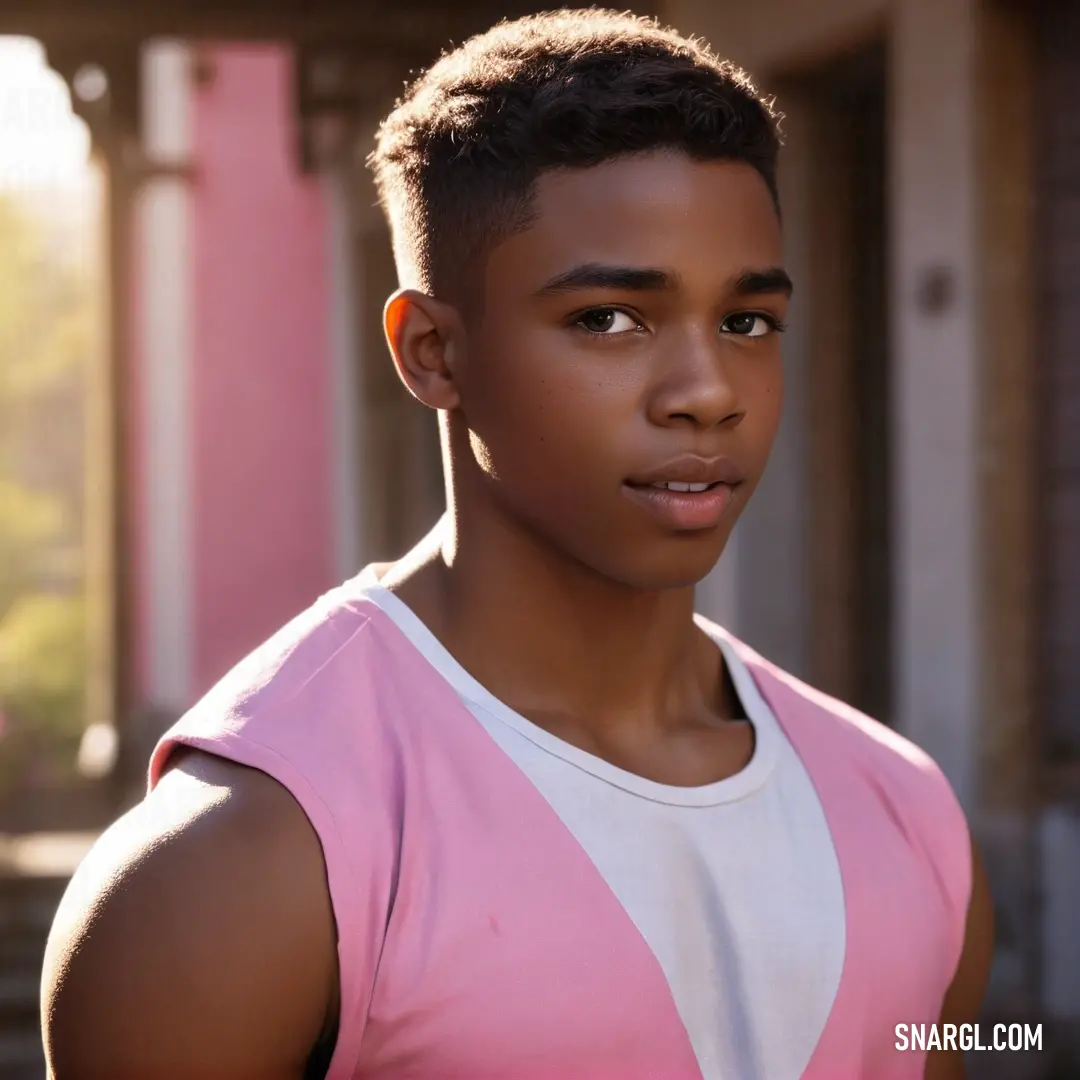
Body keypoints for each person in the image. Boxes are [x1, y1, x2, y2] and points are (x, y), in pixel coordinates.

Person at [42, 10, 993, 1080]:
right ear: (432, 352)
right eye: (609, 319)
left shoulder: (903, 817)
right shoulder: (236, 873)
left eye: (746, 323)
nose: (707, 394)